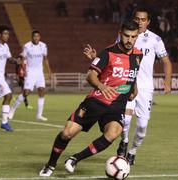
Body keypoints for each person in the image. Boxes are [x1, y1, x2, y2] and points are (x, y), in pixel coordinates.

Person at [39, 20, 142, 177]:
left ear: (137, 36)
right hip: (96, 102)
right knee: (67, 133)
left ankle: (75, 159)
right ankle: (50, 165)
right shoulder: (107, 53)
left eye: (133, 37)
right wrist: (102, 86)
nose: (130, 40)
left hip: (116, 107)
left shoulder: (138, 55)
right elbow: (90, 75)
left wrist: (134, 89)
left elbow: (132, 75)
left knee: (114, 132)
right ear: (120, 34)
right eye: (127, 36)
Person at [84, 6, 172, 165]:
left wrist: (168, 80)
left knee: (142, 127)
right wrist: (96, 57)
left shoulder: (155, 40)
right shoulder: (126, 37)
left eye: (143, 19)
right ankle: (123, 143)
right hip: (128, 84)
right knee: (124, 121)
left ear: (148, 22)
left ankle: (133, 151)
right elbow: (111, 57)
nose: (139, 22)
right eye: (137, 19)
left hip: (145, 89)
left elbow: (166, 61)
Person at [9, 30, 52, 121]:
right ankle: (12, 110)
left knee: (41, 92)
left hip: (39, 72)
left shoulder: (43, 46)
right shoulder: (27, 46)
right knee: (26, 92)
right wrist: (24, 71)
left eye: (37, 36)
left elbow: (45, 59)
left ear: (39, 37)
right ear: (32, 37)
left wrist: (49, 72)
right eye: (34, 36)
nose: (36, 38)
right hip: (30, 72)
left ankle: (39, 115)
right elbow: (23, 59)